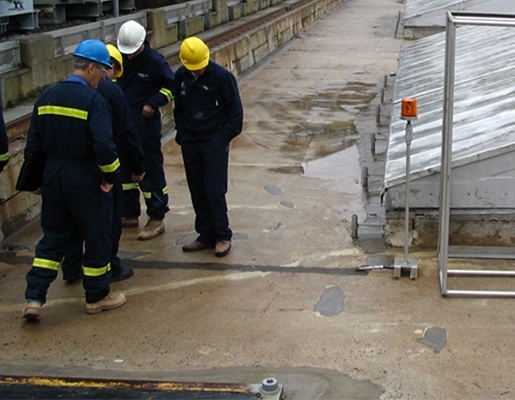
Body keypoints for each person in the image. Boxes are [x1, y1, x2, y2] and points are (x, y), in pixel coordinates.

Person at [22, 39, 126, 320]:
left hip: (54, 176)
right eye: (102, 70)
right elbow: (104, 145)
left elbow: (34, 145)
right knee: (96, 235)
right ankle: (97, 296)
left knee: (53, 237)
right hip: (85, 177)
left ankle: (34, 297)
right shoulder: (94, 100)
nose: (104, 76)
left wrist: (36, 179)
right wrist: (110, 176)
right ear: (90, 67)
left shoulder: (47, 96)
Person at [61, 43, 145, 284]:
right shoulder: (109, 92)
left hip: (71, 169)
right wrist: (137, 165)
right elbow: (126, 132)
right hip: (104, 167)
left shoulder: (60, 92)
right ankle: (109, 268)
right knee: (107, 222)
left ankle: (72, 267)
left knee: (74, 223)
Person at [173, 36, 243, 257]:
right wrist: (182, 134)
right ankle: (205, 234)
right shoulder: (181, 78)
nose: (198, 71)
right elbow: (179, 109)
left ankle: (222, 234)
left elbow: (235, 113)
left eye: (201, 67)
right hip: (191, 141)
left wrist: (222, 139)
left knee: (213, 189)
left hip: (213, 140)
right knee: (197, 189)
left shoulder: (222, 78)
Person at [115, 20, 175, 240]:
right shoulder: (120, 59)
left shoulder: (154, 62)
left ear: (143, 43)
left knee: (149, 171)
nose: (130, 56)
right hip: (123, 126)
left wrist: (154, 102)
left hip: (144, 127)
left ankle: (157, 216)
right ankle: (129, 213)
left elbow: (171, 86)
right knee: (125, 173)